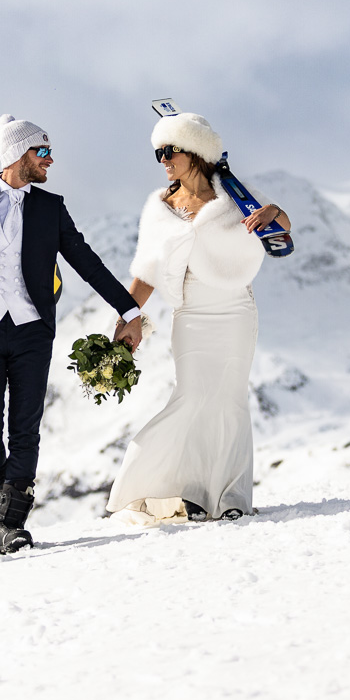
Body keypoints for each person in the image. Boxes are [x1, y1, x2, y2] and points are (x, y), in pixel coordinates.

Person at [0, 113, 142, 554]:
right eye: (42, 152)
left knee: (26, 429)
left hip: (31, 332)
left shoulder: (50, 208)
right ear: (17, 154)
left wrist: (129, 309)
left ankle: (8, 524)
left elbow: (85, 259)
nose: (50, 160)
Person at [108, 112, 290, 524]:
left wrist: (273, 211)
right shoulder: (159, 208)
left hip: (236, 310)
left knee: (230, 401)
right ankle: (163, 484)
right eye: (158, 153)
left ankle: (229, 497)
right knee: (191, 396)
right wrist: (126, 320)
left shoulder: (235, 195)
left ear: (196, 152)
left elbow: (283, 230)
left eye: (170, 151)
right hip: (189, 315)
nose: (163, 160)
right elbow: (146, 273)